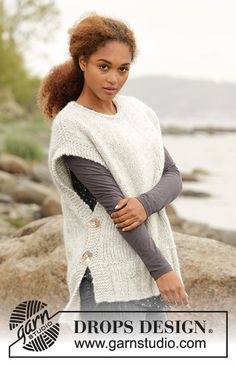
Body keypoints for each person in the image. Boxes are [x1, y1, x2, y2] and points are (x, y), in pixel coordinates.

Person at [37, 13, 189, 329]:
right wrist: (163, 271)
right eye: (103, 66)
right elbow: (117, 208)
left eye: (123, 69)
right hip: (110, 282)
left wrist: (145, 204)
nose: (113, 79)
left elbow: (173, 175)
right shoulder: (73, 126)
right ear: (82, 62)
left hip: (149, 275)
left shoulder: (139, 111)